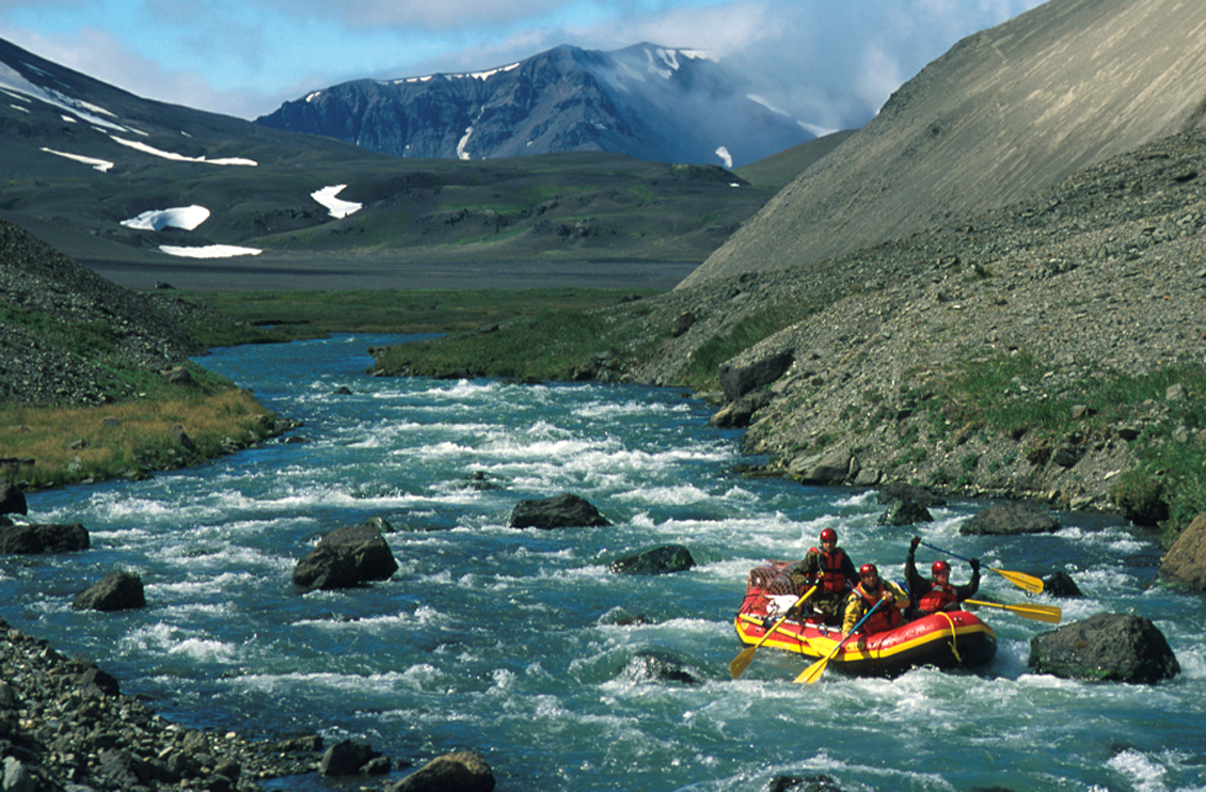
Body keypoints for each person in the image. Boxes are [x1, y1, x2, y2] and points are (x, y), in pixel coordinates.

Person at [784, 528, 858, 623]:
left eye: (831, 542)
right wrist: (807, 581)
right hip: (820, 597)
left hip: (840, 594)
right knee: (841, 610)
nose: (829, 545)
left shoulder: (842, 557)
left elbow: (853, 576)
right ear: (822, 542)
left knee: (856, 603)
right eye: (826, 542)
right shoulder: (815, 557)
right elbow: (796, 574)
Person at [905, 536, 980, 616]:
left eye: (947, 573)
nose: (945, 576)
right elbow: (911, 574)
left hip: (947, 621)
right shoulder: (926, 586)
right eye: (942, 573)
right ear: (935, 575)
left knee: (953, 606)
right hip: (926, 620)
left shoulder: (954, 591)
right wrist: (911, 552)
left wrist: (976, 571)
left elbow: (971, 588)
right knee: (919, 613)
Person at [841, 563, 911, 638]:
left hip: (897, 625)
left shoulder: (885, 585)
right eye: (868, 576)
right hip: (876, 635)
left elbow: (906, 602)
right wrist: (846, 631)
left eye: (873, 575)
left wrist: (893, 599)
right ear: (862, 578)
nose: (871, 578)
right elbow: (850, 616)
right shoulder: (857, 596)